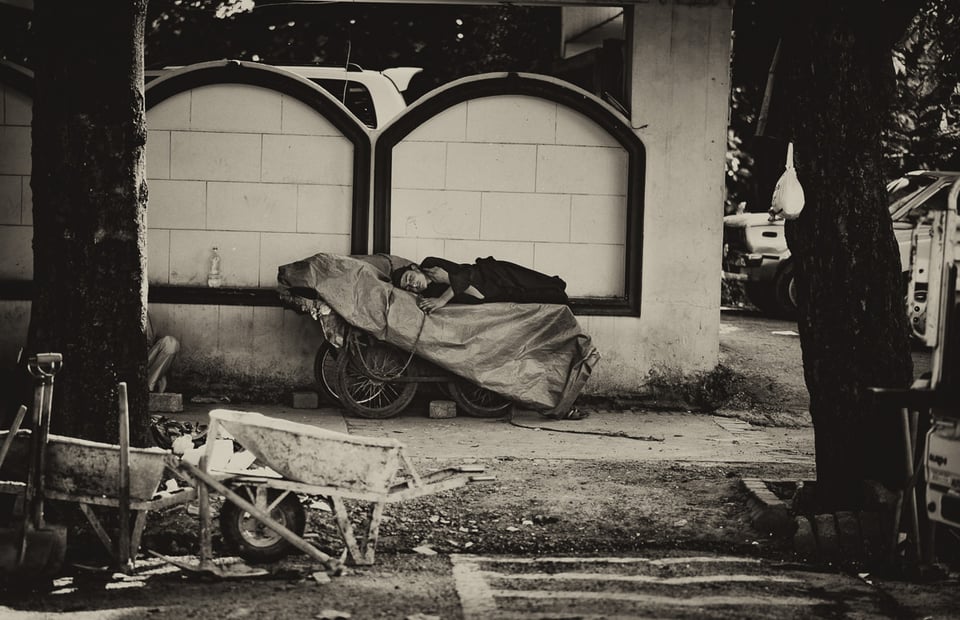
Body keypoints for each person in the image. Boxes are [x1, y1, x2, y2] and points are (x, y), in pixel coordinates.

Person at [391, 256, 569, 314]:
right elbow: (477, 296)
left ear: (415, 268)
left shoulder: (429, 263)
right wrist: (447, 281)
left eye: (409, 278)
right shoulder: (432, 295)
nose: (412, 285)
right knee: (548, 297)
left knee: (540, 282)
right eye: (408, 288)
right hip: (494, 293)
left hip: (494, 272)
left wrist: (444, 297)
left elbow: (465, 274)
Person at [146, 313, 180, 393]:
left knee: (171, 343)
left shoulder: (144, 312)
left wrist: (160, 370)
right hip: (124, 366)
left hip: (144, 361)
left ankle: (149, 386)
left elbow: (149, 341)